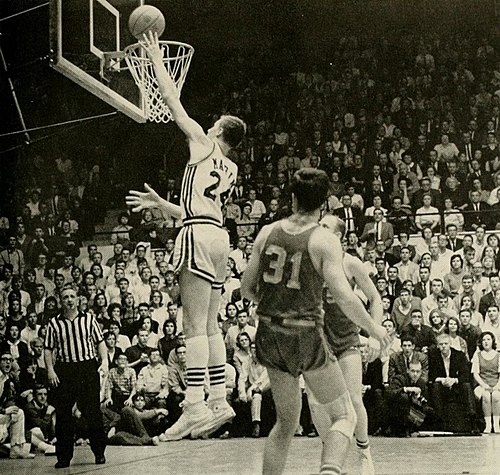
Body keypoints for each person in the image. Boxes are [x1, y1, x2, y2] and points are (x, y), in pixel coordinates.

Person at [126, 32, 246, 441]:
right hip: (218, 238)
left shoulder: (202, 143)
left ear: (219, 133)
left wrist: (155, 55)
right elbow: (199, 210)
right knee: (210, 325)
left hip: (197, 236)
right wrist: (164, 204)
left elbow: (173, 102)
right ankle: (218, 399)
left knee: (192, 323)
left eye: (213, 125)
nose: (207, 126)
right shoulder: (231, 170)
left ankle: (194, 405)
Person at [241, 168, 389, 475]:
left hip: (268, 332)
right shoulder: (323, 240)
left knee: (285, 424)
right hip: (304, 334)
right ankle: (330, 471)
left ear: (292, 199)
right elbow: (346, 298)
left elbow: (246, 288)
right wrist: (374, 328)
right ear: (325, 204)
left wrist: (275, 305)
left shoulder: (266, 232)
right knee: (344, 415)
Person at [317, 214, 383, 475]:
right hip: (319, 340)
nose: (318, 230)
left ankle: (364, 451)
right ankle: (331, 455)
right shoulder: (311, 261)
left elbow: (375, 298)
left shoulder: (351, 263)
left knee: (354, 399)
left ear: (338, 236)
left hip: (346, 338)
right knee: (319, 404)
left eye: (325, 226)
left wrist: (375, 335)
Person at [44, 286, 108, 468]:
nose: (69, 300)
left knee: (93, 412)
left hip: (87, 368)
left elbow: (100, 342)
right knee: (63, 415)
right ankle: (63, 457)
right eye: (65, 297)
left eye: (72, 296)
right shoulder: (54, 323)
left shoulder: (89, 319)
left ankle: (99, 452)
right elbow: (48, 349)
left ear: (78, 299)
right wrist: (50, 370)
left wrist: (104, 362)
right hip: (65, 370)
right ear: (60, 301)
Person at [472, 331, 500, 433]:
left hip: (496, 384)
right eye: (484, 340)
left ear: (492, 341)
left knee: (496, 395)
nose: (486, 342)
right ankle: (488, 425)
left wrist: (497, 385)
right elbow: (475, 374)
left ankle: (496, 424)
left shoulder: (498, 355)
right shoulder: (477, 355)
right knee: (486, 395)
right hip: (482, 384)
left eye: (488, 339)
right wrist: (484, 385)